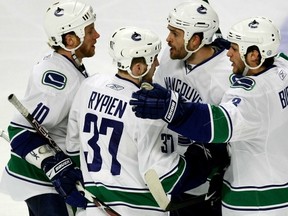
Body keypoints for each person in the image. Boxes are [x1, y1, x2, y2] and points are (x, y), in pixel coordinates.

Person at [130, 16, 288, 215]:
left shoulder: (253, 96)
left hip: (254, 202)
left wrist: (171, 108)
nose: (228, 53)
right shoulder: (281, 69)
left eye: (235, 48)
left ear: (254, 56)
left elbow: (214, 124)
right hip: (279, 188)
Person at [65, 26, 229, 216]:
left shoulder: (89, 86)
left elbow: (74, 148)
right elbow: (168, 178)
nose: (158, 63)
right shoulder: (146, 111)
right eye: (153, 59)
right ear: (138, 67)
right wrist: (205, 155)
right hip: (137, 210)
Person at [0, 1, 100, 215]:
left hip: (49, 180)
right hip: (42, 182)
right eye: (90, 31)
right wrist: (57, 169)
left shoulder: (68, 66)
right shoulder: (57, 81)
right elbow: (19, 131)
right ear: (71, 40)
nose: (97, 35)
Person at [152, 1, 234, 215]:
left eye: (175, 33)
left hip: (206, 182)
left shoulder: (226, 77)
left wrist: (225, 172)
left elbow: (237, 135)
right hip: (172, 172)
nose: (168, 39)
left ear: (195, 39)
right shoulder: (170, 59)